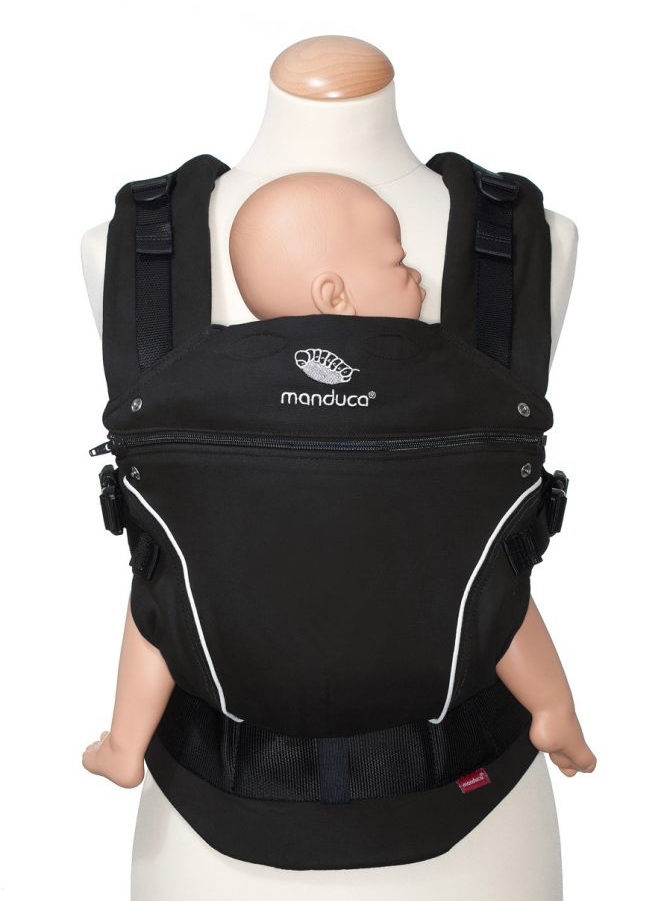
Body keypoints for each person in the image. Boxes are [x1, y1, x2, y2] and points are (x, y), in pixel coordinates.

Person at [82, 170, 596, 787]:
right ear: (333, 293)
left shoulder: (134, 255)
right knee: (496, 591)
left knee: (158, 592)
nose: (418, 275)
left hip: (217, 760)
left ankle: (125, 743)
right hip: (461, 753)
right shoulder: (526, 240)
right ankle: (553, 709)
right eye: (399, 262)